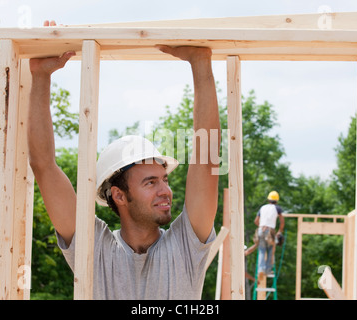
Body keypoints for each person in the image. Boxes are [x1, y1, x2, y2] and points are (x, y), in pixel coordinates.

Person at [27, 20, 220, 299]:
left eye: (164, 179)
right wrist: (41, 76)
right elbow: (43, 166)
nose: (166, 190)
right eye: (151, 182)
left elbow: (206, 160)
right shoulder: (94, 249)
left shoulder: (186, 247)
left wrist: (200, 63)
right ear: (118, 194)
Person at [254, 191, 284, 277]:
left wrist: (262, 226)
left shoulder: (262, 207)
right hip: (270, 231)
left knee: (262, 250)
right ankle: (267, 270)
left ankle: (260, 270)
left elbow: (256, 221)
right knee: (271, 250)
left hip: (260, 230)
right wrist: (279, 231)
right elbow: (282, 221)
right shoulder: (277, 208)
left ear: (268, 199)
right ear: (277, 200)